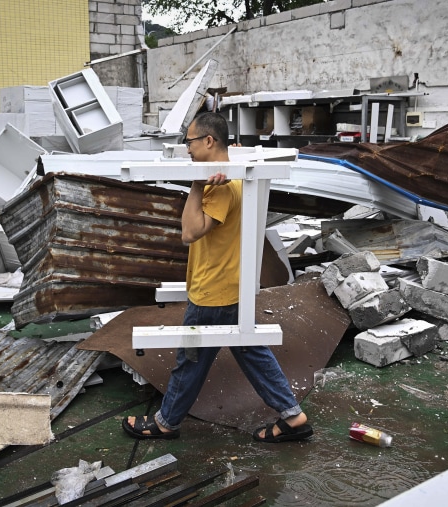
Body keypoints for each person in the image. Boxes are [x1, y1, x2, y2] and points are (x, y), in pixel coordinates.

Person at [122, 112, 313, 443]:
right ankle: (293, 416)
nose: (188, 151)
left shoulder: (220, 187)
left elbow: (189, 232)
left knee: (190, 358)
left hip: (213, 292)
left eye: (190, 143)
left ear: (209, 141)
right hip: (229, 286)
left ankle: (167, 422)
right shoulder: (232, 175)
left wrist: (196, 184)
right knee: (251, 352)